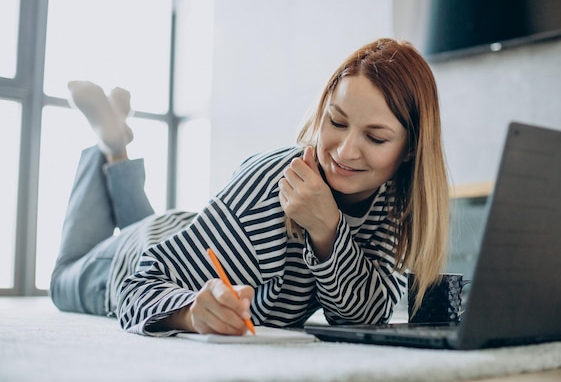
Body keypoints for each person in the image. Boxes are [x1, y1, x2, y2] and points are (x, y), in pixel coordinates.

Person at [50, 38, 449, 337]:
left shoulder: (395, 199)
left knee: (146, 222)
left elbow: (361, 317)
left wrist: (327, 230)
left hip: (184, 232)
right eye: (337, 122)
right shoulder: (268, 187)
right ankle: (108, 144)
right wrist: (190, 313)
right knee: (62, 277)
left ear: (410, 149)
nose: (345, 151)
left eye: (375, 138)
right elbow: (141, 282)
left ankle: (117, 145)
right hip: (129, 259)